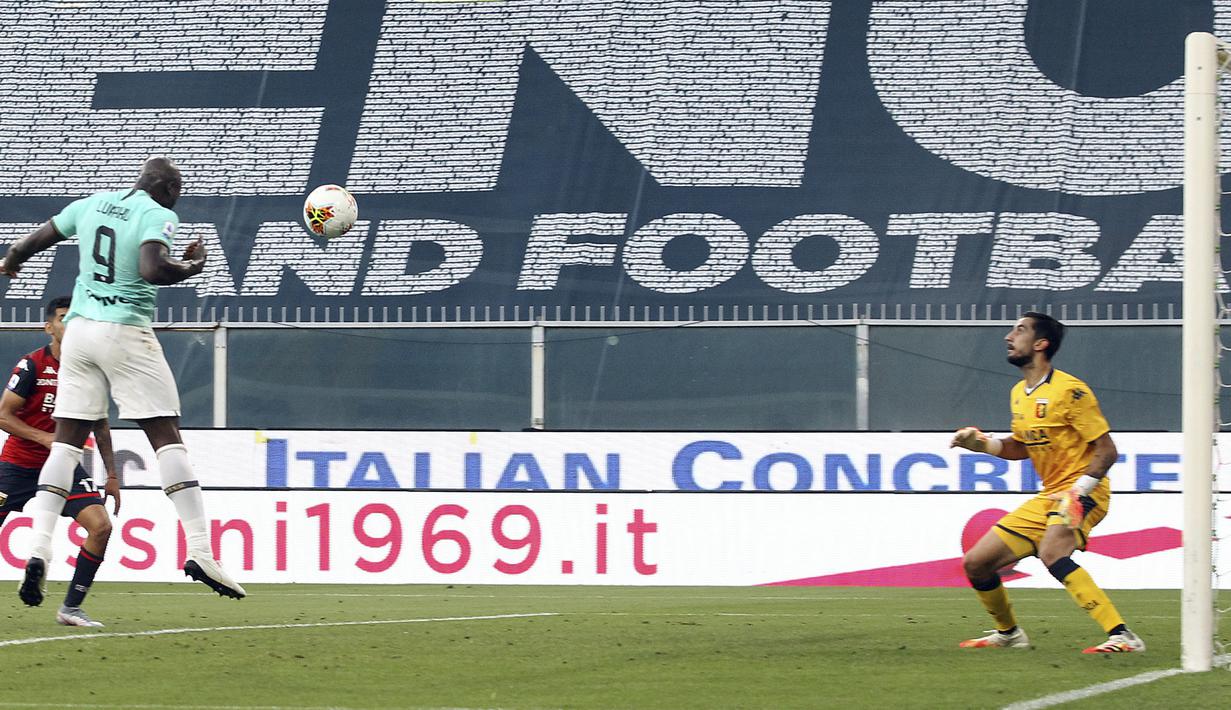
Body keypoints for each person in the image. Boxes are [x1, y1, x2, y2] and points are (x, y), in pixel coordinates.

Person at [0, 157, 245, 601]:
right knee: (167, 438)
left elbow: (36, 240)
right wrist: (191, 268)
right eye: (179, 192)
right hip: (125, 330)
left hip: (79, 332)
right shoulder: (158, 214)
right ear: (169, 188)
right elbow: (152, 269)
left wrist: (13, 257)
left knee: (66, 441)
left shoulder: (93, 202)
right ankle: (201, 550)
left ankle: (38, 549)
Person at [949, 311, 1143, 654]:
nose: (1009, 337)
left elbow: (1107, 451)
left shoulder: (1071, 391)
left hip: (1085, 491)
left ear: (1041, 344)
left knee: (1052, 551)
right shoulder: (1019, 393)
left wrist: (1078, 491)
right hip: (1049, 497)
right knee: (976, 563)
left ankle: (1122, 635)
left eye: (1019, 330)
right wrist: (981, 444)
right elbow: (1021, 446)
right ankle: (1009, 634)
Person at [0, 296, 119, 626]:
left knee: (101, 526)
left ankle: (70, 608)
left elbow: (100, 422)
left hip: (66, 467)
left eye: (78, 317)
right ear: (49, 326)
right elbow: (3, 416)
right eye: (65, 318)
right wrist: (45, 439)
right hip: (18, 465)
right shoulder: (32, 365)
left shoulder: (90, 369)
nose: (73, 324)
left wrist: (111, 473)